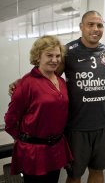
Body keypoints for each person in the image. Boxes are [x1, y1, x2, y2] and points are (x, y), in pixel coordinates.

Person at [9, 11, 105, 183]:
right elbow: (47, 76)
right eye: (90, 24)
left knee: (98, 171)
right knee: (74, 175)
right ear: (81, 27)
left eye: (99, 25)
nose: (95, 29)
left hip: (102, 125)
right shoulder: (68, 51)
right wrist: (22, 81)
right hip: (76, 127)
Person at [4, 35, 73, 183]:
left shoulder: (60, 81)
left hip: (56, 148)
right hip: (33, 152)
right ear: (38, 56)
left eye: (57, 56)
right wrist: (25, 140)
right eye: (49, 55)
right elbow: (10, 121)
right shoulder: (26, 84)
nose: (54, 60)